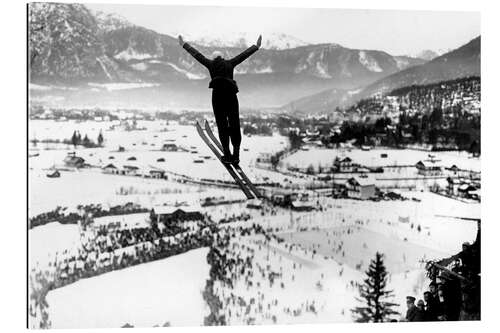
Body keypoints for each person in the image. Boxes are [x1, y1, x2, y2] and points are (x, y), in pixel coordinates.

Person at [179, 34, 262, 164]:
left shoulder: (211, 64)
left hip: (218, 98)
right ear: (222, 57)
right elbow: (243, 56)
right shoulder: (230, 63)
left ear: (213, 58)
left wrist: (184, 45)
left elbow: (197, 55)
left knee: (222, 126)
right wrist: (256, 47)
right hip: (231, 97)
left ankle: (227, 155)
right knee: (234, 124)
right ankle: (236, 155)